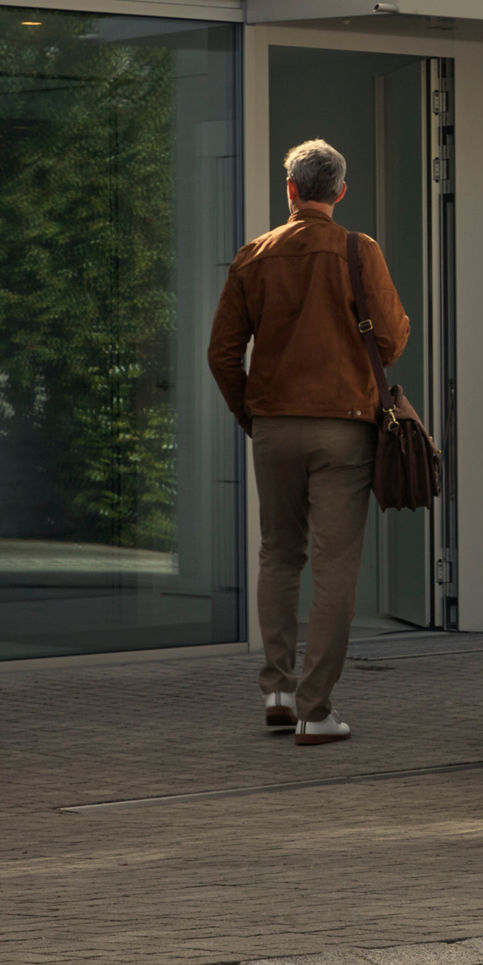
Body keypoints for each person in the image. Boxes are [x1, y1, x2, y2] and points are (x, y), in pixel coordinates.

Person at [207, 139, 410, 746]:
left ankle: (276, 687)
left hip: (273, 426)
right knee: (335, 564)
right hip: (344, 425)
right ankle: (315, 710)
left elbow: (221, 353)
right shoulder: (359, 250)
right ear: (339, 192)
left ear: (290, 190)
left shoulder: (253, 256)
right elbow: (394, 338)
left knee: (278, 553)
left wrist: (253, 414)